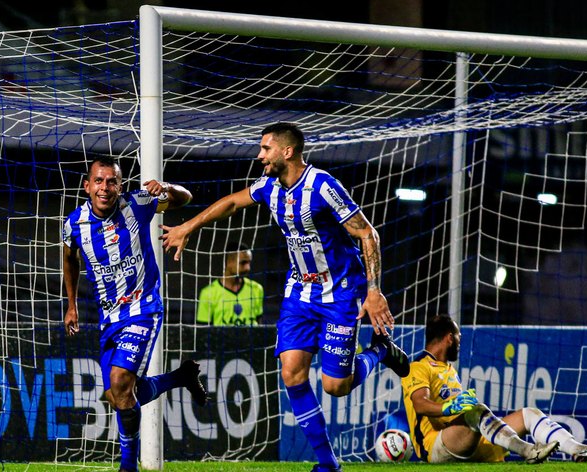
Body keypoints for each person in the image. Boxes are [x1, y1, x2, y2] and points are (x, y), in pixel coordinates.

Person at [161, 122, 410, 472]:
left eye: (265, 149)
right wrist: (187, 227)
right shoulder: (268, 188)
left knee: (336, 386)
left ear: (287, 151)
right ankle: (328, 465)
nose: (260, 155)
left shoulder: (323, 186)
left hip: (339, 293)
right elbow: (232, 203)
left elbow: (367, 234)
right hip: (299, 293)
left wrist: (373, 291)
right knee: (292, 373)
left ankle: (380, 350)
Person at [62, 155, 208, 472]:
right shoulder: (74, 223)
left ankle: (128, 467)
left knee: (120, 382)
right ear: (87, 186)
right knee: (120, 394)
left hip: (143, 309)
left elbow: (185, 198)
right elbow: (70, 258)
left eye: (112, 181)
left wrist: (167, 187)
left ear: (120, 185)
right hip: (108, 318)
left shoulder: (138, 203)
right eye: (98, 181)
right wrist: (71, 304)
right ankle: (180, 377)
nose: (105, 187)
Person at [401, 314, 587, 464]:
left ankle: (579, 450)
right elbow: (420, 405)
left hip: (467, 441)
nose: (460, 342)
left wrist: (459, 410)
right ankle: (528, 450)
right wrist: (450, 407)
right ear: (450, 338)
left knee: (529, 414)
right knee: (476, 411)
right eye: (458, 337)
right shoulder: (417, 367)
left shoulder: (448, 369)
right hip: (435, 445)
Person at [197, 241, 265, 325]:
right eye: (243, 263)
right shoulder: (208, 293)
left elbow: (259, 325)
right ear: (229, 262)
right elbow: (202, 331)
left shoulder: (256, 289)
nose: (248, 268)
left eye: (249, 262)